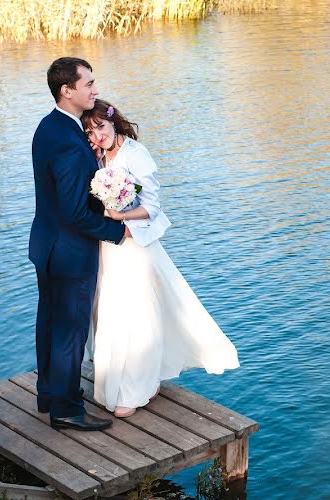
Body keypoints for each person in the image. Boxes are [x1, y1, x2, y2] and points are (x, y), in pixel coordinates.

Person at [82, 99, 239, 417]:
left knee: (138, 314)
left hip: (134, 245)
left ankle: (137, 386)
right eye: (90, 131)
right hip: (108, 247)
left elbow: (151, 207)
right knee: (109, 311)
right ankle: (117, 383)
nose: (97, 136)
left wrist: (116, 212)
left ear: (113, 121)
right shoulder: (99, 156)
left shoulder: (136, 155)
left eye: (101, 127)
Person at [29, 58, 131, 431]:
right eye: (88, 84)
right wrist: (117, 232)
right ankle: (67, 409)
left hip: (46, 245)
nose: (95, 89)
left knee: (50, 322)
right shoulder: (71, 143)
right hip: (70, 251)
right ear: (66, 91)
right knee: (71, 330)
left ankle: (49, 394)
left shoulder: (49, 126)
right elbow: (75, 212)